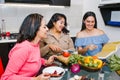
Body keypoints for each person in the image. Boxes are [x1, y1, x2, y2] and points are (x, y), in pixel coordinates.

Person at [0, 13, 57, 80]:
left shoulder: (35, 44)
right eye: (44, 27)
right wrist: (35, 79)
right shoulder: (23, 49)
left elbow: (33, 60)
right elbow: (6, 78)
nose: (47, 29)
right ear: (35, 29)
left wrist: (46, 62)